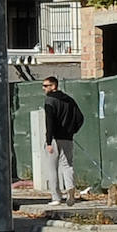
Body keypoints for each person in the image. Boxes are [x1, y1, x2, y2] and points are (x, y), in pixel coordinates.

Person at [42, 76, 83, 207]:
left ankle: (56, 197)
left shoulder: (49, 101)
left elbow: (49, 122)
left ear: (54, 86)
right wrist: (72, 131)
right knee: (67, 165)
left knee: (52, 168)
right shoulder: (70, 100)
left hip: (54, 139)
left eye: (46, 86)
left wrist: (48, 141)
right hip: (67, 138)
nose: (44, 88)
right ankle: (70, 187)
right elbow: (80, 118)